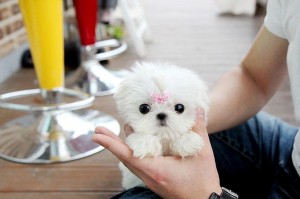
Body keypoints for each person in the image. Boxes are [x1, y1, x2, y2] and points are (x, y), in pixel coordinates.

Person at [92, 0, 300, 198]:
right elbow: (253, 77)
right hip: (291, 145)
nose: (162, 115)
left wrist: (204, 194)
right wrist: (192, 121)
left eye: (178, 108)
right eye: (146, 108)